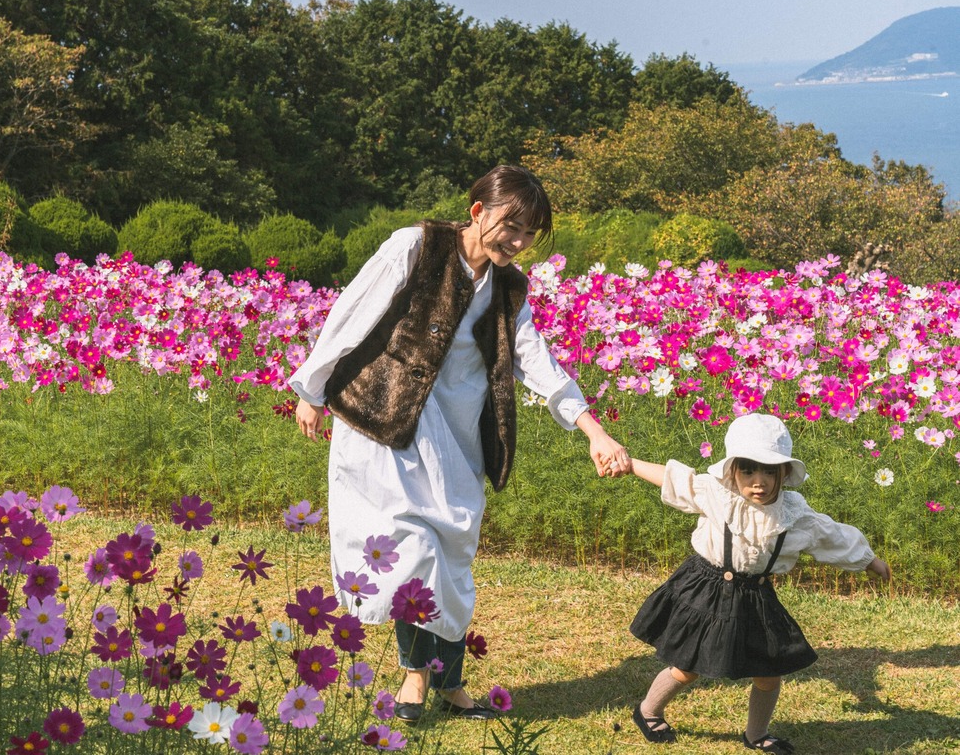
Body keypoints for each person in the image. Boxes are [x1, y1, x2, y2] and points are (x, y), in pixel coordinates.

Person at [288, 165, 629, 722]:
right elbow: (352, 311)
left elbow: (534, 360)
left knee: (451, 555)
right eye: (511, 227)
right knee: (415, 552)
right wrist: (312, 386)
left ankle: (449, 684)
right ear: (478, 213)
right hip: (388, 423)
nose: (518, 243)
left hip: (459, 435)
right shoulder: (417, 247)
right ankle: (416, 682)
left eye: (529, 235)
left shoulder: (508, 286)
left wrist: (592, 429)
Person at [620, 413, 891, 753]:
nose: (758, 481)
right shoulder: (718, 494)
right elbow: (676, 480)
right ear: (733, 471)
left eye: (769, 471)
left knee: (768, 673)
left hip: (756, 596)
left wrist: (868, 560)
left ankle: (756, 734)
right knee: (687, 667)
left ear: (783, 474)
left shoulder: (794, 514)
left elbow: (830, 535)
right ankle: (648, 711)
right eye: (748, 470)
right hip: (707, 588)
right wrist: (630, 464)